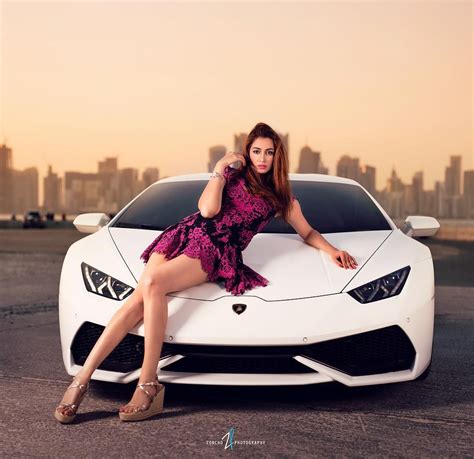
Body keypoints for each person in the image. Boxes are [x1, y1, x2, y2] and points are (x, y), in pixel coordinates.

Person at [54, 121, 358, 424]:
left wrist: (332, 251)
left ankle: (147, 382)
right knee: (137, 301)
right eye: (256, 151)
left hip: (214, 247)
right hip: (183, 234)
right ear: (247, 153)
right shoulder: (230, 175)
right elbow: (208, 210)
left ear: (278, 156)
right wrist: (220, 168)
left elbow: (307, 232)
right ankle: (81, 380)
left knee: (153, 283)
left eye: (269, 152)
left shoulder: (282, 199)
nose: (262, 158)